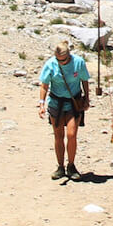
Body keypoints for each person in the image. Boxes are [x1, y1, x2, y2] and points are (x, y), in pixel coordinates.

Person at [35, 38, 91, 181]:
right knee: (58, 136)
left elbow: (84, 80)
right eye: (59, 60)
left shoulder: (78, 62)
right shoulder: (50, 64)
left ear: (69, 56)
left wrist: (87, 98)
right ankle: (60, 167)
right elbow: (44, 85)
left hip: (73, 103)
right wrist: (41, 104)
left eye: (64, 60)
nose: (61, 63)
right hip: (56, 103)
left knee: (72, 134)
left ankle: (71, 165)